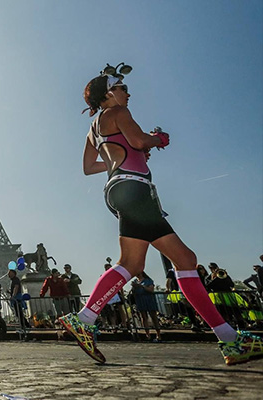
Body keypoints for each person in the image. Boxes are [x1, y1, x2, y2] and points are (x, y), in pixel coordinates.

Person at [59, 70, 263, 365]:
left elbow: (89, 167)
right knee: (184, 261)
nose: (128, 92)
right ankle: (230, 341)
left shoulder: (93, 127)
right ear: (108, 94)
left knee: (136, 263)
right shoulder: (119, 110)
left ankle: (85, 318)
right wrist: (157, 139)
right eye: (122, 86)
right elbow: (140, 141)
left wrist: (123, 156)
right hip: (135, 189)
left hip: (117, 189)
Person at [131, 271, 162, 342]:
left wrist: (141, 286)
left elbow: (151, 290)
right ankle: (147, 334)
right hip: (140, 300)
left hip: (149, 299)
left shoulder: (148, 280)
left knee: (154, 316)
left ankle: (158, 334)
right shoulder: (135, 281)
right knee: (143, 317)